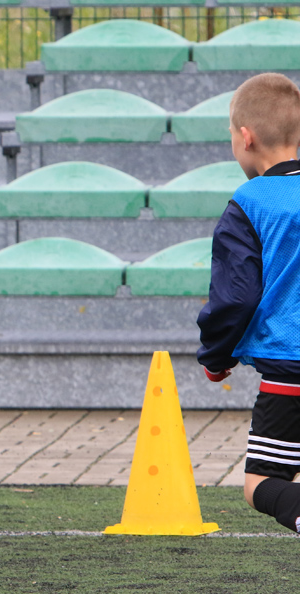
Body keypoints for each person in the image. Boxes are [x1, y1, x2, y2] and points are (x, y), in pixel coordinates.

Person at [197, 72, 300, 533]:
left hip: (289, 371)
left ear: (246, 137)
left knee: (261, 483)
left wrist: (216, 357)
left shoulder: (249, 203)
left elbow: (235, 297)